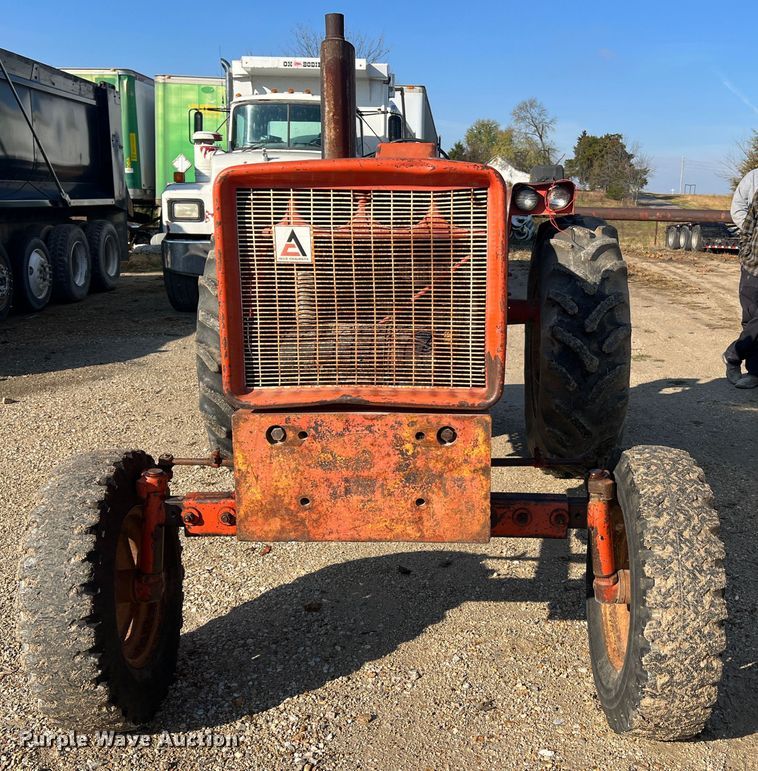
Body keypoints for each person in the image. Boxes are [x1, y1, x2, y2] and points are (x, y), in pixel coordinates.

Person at [723, 169, 758, 388]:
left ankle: (735, 356)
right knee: (751, 318)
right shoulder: (754, 180)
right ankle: (751, 369)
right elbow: (746, 225)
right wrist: (746, 254)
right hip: (754, 266)